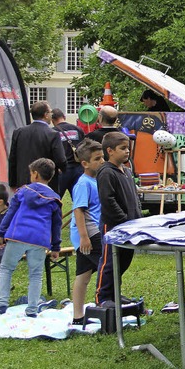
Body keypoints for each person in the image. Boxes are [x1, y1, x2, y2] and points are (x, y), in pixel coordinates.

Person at [0, 158, 62, 317]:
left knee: (6, 269)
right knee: (35, 274)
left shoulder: (22, 192)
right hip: (40, 240)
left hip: (17, 236)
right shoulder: (55, 198)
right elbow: (56, 225)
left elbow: (10, 214)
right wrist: (55, 247)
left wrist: (1, 233)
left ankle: (1, 304)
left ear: (35, 174)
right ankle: (32, 309)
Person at [94, 132, 142, 307]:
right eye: (122, 148)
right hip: (113, 226)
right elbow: (108, 200)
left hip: (131, 225)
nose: (127, 152)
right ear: (110, 151)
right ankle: (102, 297)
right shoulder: (106, 172)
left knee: (123, 260)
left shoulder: (127, 171)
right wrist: (122, 219)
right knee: (109, 261)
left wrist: (137, 218)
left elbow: (134, 197)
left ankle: (115, 293)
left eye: (127, 148)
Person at [69, 139, 105, 325]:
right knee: (107, 269)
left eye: (102, 157)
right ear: (85, 163)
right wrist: (84, 237)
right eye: (97, 158)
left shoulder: (96, 179)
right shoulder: (83, 183)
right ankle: (109, 305)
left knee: (83, 275)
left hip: (92, 233)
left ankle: (78, 316)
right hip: (90, 234)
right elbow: (78, 210)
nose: (102, 161)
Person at [8, 100, 67, 195]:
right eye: (50, 112)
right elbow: (61, 159)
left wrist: (12, 183)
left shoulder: (18, 132)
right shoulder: (52, 134)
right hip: (46, 184)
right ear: (46, 114)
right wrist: (63, 169)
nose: (52, 115)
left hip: (23, 182)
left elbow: (12, 160)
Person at [51, 108, 85, 200]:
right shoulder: (78, 129)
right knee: (80, 199)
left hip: (61, 170)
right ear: (64, 117)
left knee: (56, 199)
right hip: (79, 168)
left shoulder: (53, 132)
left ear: (52, 120)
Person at [0, 184, 9, 273]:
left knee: (2, 254)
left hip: (7, 245)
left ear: (0, 202)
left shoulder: (10, 215)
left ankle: (2, 283)